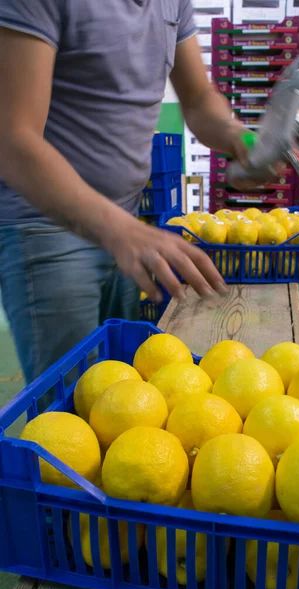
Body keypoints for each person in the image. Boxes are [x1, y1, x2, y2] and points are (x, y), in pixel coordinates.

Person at [0, 0, 254, 385]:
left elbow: (200, 101)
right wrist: (121, 229)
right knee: (71, 414)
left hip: (125, 226)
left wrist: (243, 138)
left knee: (124, 399)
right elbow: (13, 141)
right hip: (48, 232)